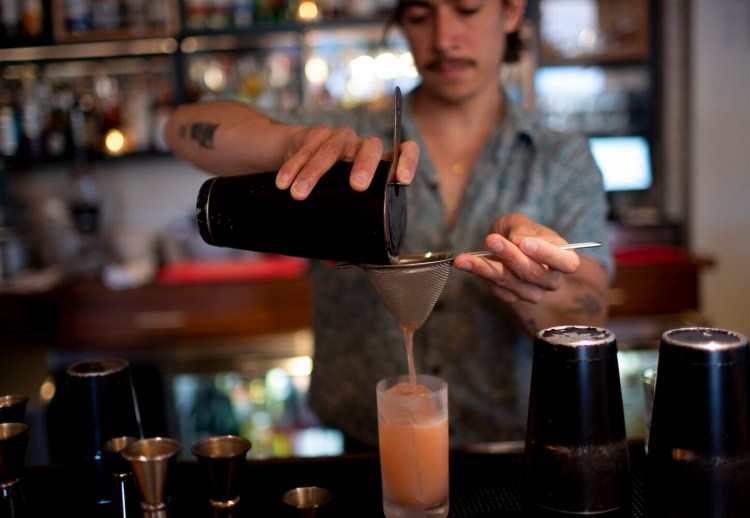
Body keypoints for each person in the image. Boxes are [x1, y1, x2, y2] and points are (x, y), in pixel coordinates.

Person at [164, 0, 613, 449]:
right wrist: (293, 144)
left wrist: (529, 282)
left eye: (468, 9)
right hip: (363, 451)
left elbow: (590, 312)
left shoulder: (561, 160)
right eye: (420, 16)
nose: (443, 39)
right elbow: (181, 128)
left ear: (511, 12)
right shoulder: (347, 137)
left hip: (507, 453)